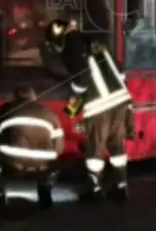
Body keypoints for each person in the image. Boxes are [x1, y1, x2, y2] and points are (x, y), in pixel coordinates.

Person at [46, 19, 134, 201]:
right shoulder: (95, 40)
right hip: (121, 99)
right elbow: (120, 69)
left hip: (99, 105)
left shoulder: (71, 47)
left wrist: (75, 100)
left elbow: (81, 82)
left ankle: (94, 187)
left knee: (96, 145)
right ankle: (121, 185)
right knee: (116, 143)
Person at [0, 86, 64, 209]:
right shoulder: (49, 112)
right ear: (34, 97)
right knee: (54, 162)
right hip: (43, 163)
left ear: (15, 97)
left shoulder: (5, 109)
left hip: (12, 161)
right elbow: (59, 145)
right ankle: (45, 191)